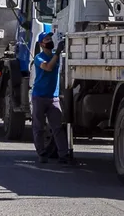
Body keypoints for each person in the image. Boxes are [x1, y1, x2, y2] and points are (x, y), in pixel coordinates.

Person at [32, 31, 71, 164]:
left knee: (57, 127)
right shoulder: (39, 58)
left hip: (53, 98)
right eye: (46, 39)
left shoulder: (56, 56)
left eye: (50, 38)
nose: (49, 40)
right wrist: (57, 54)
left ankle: (63, 155)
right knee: (39, 127)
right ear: (42, 44)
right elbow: (48, 67)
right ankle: (41, 152)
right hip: (39, 97)